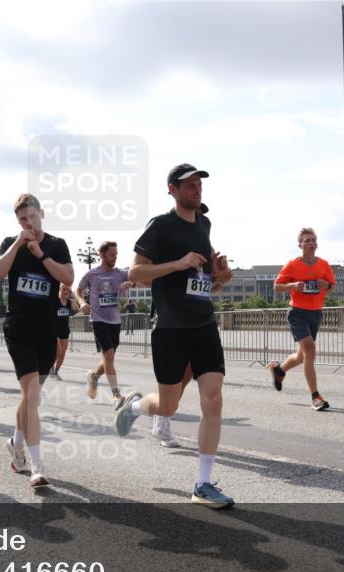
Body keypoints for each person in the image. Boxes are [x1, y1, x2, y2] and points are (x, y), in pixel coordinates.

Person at [115, 163, 235, 508]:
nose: (198, 189)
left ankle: (203, 483)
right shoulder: (161, 226)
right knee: (168, 405)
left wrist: (221, 277)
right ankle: (135, 405)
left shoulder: (204, 224)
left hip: (203, 324)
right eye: (190, 184)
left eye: (200, 184)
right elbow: (136, 272)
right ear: (172, 189)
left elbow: (205, 285)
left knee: (213, 399)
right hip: (170, 327)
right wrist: (179, 263)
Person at [0, 193, 74, 487]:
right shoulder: (10, 244)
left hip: (46, 329)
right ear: (18, 221)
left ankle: (15, 443)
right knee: (31, 394)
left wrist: (41, 255)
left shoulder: (56, 244)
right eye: (23, 219)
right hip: (18, 327)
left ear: (42, 214)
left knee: (30, 396)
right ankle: (37, 465)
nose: (29, 223)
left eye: (32, 217)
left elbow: (67, 278)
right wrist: (18, 243)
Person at [268, 228, 336, 411]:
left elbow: (331, 288)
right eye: (307, 240)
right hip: (297, 312)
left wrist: (326, 285)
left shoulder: (324, 264)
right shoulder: (293, 264)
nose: (311, 243)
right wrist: (293, 285)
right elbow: (276, 286)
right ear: (300, 245)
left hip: (315, 313)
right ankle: (316, 396)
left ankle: (279, 370)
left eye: (313, 240)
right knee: (310, 351)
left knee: (301, 356)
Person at [77, 241, 133, 404]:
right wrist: (82, 302)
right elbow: (78, 290)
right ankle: (116, 394)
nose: (115, 257)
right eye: (112, 255)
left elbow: (136, 276)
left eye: (116, 254)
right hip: (98, 319)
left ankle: (94, 376)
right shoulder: (92, 274)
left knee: (109, 358)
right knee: (108, 355)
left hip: (115, 320)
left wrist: (132, 282)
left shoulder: (120, 273)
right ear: (102, 255)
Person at [52, 283, 78, 380]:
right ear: (60, 290)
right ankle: (50, 367)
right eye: (64, 289)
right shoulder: (55, 300)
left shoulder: (69, 302)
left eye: (68, 290)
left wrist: (72, 294)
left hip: (64, 329)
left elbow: (76, 308)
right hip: (54, 329)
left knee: (63, 353)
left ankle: (56, 372)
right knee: (58, 351)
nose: (66, 291)